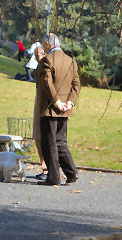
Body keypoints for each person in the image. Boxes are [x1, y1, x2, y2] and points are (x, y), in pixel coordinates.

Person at [36, 33, 80, 186]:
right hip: (64, 109)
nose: (42, 46)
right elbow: (76, 84)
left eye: (43, 43)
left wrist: (57, 102)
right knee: (60, 141)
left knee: (49, 143)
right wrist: (70, 103)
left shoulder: (47, 60)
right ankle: (71, 173)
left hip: (49, 108)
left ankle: (54, 177)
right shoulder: (70, 61)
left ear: (48, 44)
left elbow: (47, 83)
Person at [32, 46, 48, 180]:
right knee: (37, 137)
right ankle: (44, 167)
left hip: (45, 103)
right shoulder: (39, 67)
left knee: (43, 137)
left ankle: (48, 169)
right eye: (35, 55)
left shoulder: (47, 65)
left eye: (37, 55)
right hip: (38, 101)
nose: (36, 58)